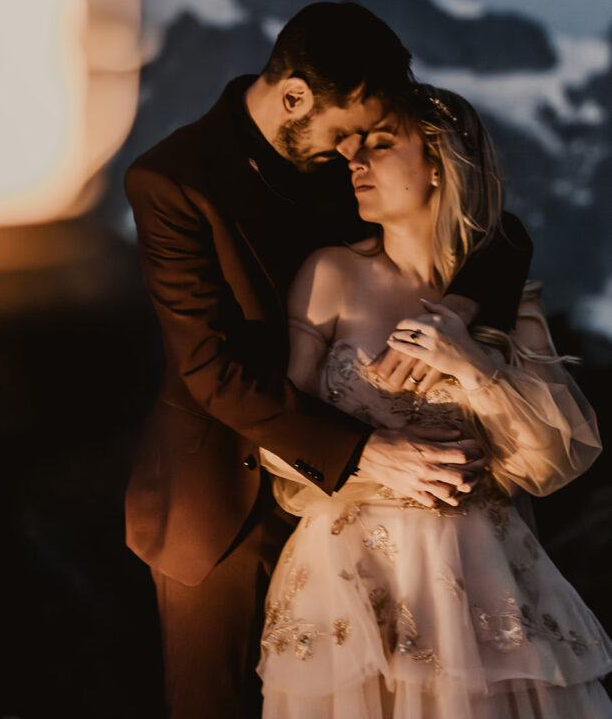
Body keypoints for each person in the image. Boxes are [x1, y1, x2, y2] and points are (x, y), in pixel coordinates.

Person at [123, 2, 532, 718]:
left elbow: (494, 230)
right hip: (221, 493)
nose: (353, 155)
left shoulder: (347, 165)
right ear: (292, 98)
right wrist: (369, 451)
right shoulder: (172, 181)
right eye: (344, 133)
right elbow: (210, 369)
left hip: (372, 521)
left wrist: (459, 311)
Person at [257, 83, 611, 718]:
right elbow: (272, 435)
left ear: (442, 166)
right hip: (349, 576)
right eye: (352, 151)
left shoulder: (509, 304)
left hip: (485, 579)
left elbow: (551, 461)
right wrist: (367, 457)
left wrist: (469, 363)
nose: (356, 162)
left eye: (381, 146)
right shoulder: (330, 274)